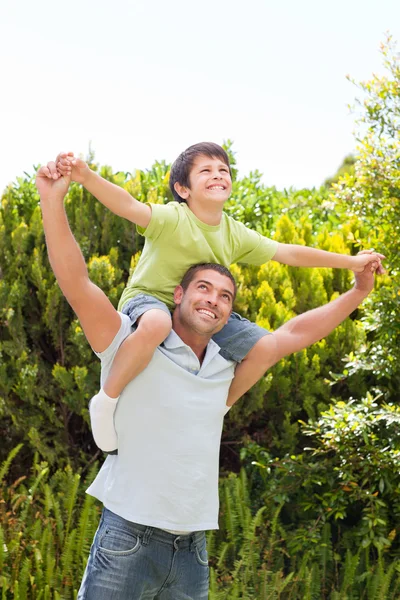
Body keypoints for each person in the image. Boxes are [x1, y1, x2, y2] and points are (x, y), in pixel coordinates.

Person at [36, 157, 380, 600]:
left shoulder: (223, 369)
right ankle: (106, 398)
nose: (213, 300)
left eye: (225, 296)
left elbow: (292, 334)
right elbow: (76, 281)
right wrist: (53, 200)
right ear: (177, 293)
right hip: (127, 538)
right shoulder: (129, 340)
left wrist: (356, 291)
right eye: (202, 288)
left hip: (193, 549)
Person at [55, 144, 384, 411]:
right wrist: (86, 177)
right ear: (183, 189)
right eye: (206, 171)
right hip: (150, 301)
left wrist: (352, 262)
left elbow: (290, 254)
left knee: (266, 345)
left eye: (223, 170)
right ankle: (107, 399)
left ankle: (218, 408)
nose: (218, 175)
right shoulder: (172, 217)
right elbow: (126, 205)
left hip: (199, 312)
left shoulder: (234, 233)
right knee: (157, 324)